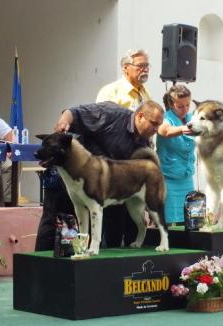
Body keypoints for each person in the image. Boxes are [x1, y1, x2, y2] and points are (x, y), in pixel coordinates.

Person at [35, 100, 164, 250]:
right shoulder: (110, 113)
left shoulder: (145, 143)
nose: (156, 129)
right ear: (140, 116)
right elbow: (74, 112)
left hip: (107, 189)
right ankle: (40, 268)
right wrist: (63, 122)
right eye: (154, 123)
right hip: (70, 177)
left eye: (159, 125)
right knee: (55, 227)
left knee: (110, 235)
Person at [95, 49, 153, 247]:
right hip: (114, 163)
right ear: (126, 68)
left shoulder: (145, 94)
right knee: (112, 215)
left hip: (137, 164)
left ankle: (133, 253)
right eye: (140, 66)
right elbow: (102, 125)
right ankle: (110, 257)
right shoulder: (111, 92)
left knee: (134, 213)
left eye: (147, 66)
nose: (145, 70)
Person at [156, 85, 195, 225]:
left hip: (187, 177)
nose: (185, 110)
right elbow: (165, 131)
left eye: (187, 105)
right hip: (168, 179)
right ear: (171, 104)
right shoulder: (165, 118)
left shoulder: (192, 118)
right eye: (180, 106)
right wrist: (184, 129)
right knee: (169, 221)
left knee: (190, 220)